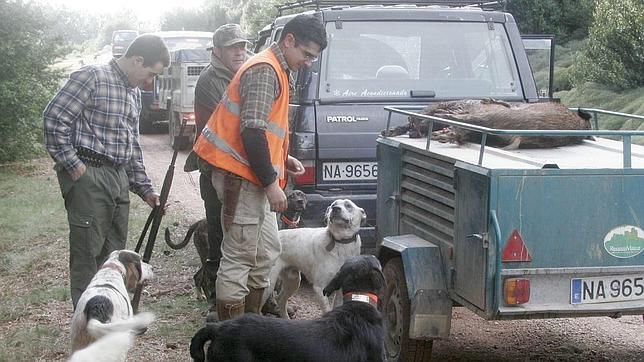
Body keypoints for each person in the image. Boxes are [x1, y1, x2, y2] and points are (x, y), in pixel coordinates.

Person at [193, 14, 328, 320]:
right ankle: (231, 337)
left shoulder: (278, 68)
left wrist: (282, 159)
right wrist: (270, 183)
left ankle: (251, 327)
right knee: (239, 259)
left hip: (251, 176)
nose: (308, 62)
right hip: (240, 179)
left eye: (313, 58)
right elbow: (252, 131)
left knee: (266, 253)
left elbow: (265, 130)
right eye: (306, 54)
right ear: (289, 40)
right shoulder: (266, 70)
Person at [43, 34, 170, 309]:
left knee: (114, 257)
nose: (150, 82)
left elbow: (132, 146)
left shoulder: (133, 92)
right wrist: (75, 167)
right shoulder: (92, 77)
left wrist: (146, 189)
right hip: (90, 176)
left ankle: (111, 315)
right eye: (150, 73)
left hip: (118, 178)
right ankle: (87, 323)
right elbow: (54, 119)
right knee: (87, 256)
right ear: (137, 60)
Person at [185, 23, 251, 321]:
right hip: (216, 169)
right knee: (218, 235)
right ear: (217, 51)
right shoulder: (210, 80)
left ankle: (248, 299)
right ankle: (216, 302)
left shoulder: (244, 72)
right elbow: (224, 128)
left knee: (244, 236)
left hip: (241, 169)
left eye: (242, 46)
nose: (240, 51)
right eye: (232, 47)